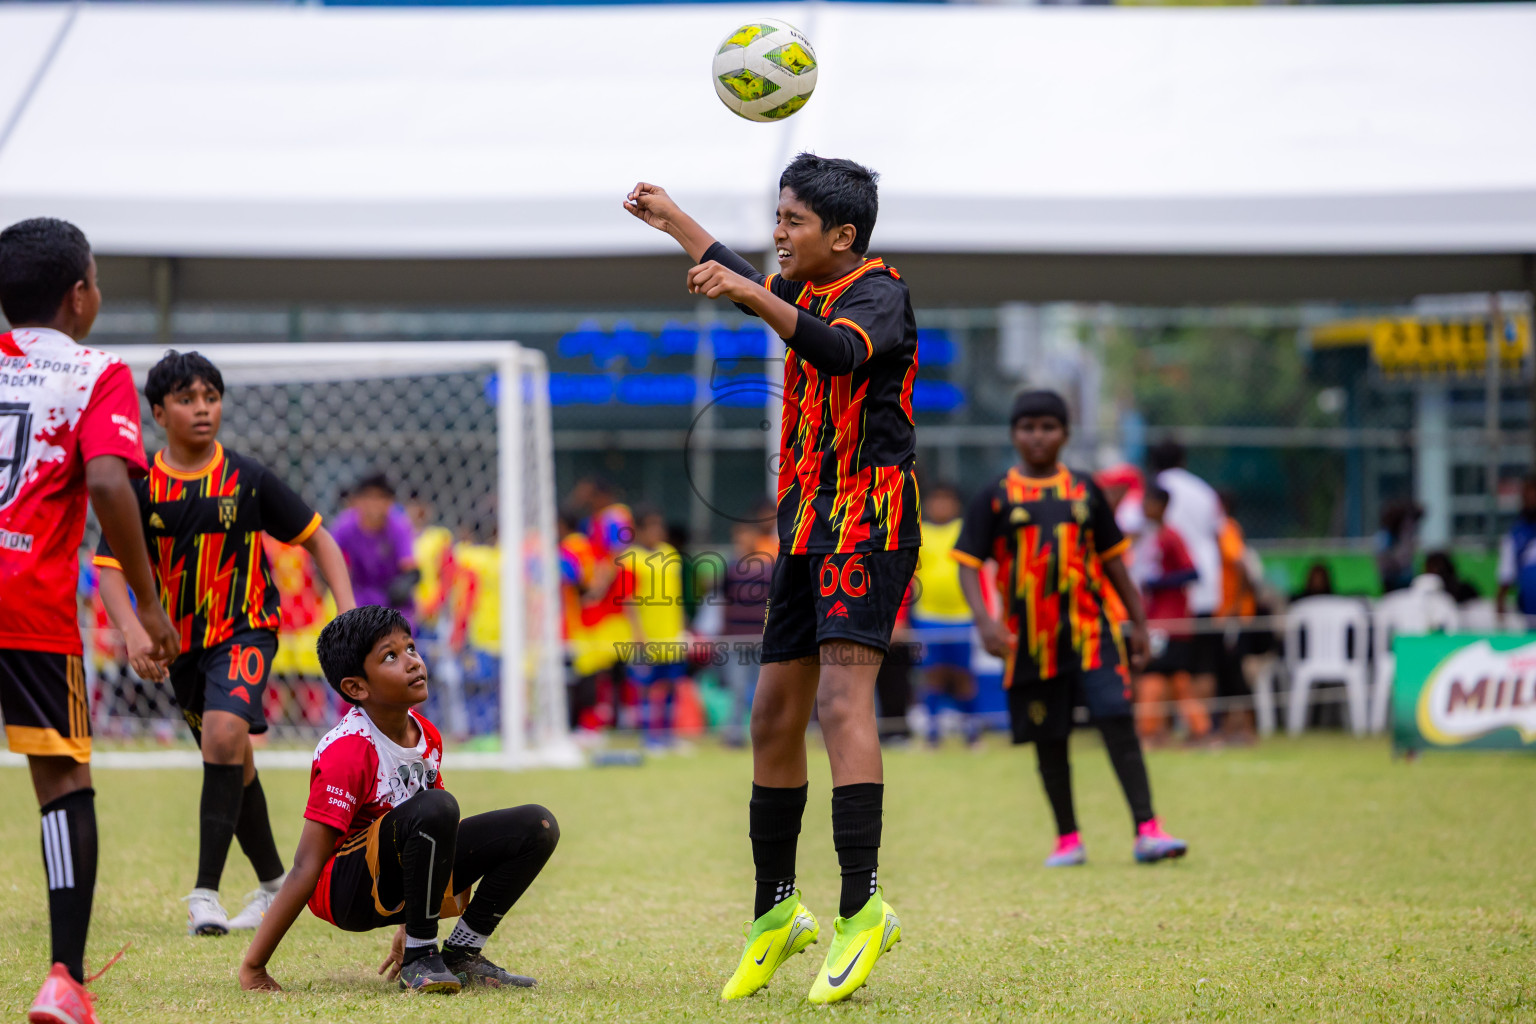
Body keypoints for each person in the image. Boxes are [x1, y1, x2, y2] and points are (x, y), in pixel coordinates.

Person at [627, 153, 919, 1004]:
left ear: (843, 234)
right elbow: (753, 274)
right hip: (807, 526)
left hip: (872, 526)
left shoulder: (879, 292)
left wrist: (754, 296)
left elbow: (834, 353)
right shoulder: (809, 284)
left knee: (839, 704)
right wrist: (675, 219)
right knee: (770, 717)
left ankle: (862, 910)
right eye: (778, 217)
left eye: (792, 220)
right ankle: (776, 915)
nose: (778, 233)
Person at [93, 350, 358, 936]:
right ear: (159, 411)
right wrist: (135, 632)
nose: (203, 409)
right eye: (187, 400)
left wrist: (348, 614)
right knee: (231, 759)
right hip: (175, 649)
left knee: (223, 735)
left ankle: (203, 896)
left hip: (245, 630)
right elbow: (108, 568)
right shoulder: (139, 487)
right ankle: (272, 885)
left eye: (211, 397)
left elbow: (322, 543)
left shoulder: (248, 477)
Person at [0, 217, 180, 1022]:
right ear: (80, 296)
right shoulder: (98, 372)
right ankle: (63, 981)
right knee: (63, 781)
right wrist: (147, 601)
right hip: (26, 601)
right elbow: (110, 485)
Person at [238, 605, 559, 994]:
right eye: (390, 656)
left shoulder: (427, 734)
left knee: (536, 826)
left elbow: (435, 837)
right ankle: (420, 958)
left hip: (397, 873)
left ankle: (462, 954)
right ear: (356, 688)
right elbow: (308, 863)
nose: (412, 662)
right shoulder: (349, 750)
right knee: (438, 807)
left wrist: (413, 917)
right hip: (345, 890)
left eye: (410, 648)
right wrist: (254, 966)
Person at [952, 390, 1187, 870]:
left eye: (1048, 427)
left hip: (1091, 631)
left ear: (1065, 433)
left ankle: (1147, 830)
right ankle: (1068, 839)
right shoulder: (995, 494)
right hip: (1028, 640)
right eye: (1027, 427)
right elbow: (968, 564)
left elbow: (1114, 562)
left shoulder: (1084, 489)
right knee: (1048, 735)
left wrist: (1138, 623)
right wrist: (985, 619)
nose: (1037, 437)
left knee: (1116, 715)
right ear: (1014, 434)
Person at [1147, 440, 1222, 745]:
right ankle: (1197, 730)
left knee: (1170, 672)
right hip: (1206, 593)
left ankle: (1191, 730)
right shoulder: (1204, 491)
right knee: (1197, 667)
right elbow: (1218, 531)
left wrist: (1153, 582)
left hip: (1173, 607)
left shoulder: (1155, 499)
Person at [1130, 486, 1207, 747]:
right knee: (1174, 678)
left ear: (1161, 505)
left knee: (1157, 676)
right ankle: (1186, 730)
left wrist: (1158, 582)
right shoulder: (1150, 536)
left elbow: (1193, 573)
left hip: (1170, 622)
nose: (1143, 507)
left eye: (1148, 502)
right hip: (1156, 620)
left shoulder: (1171, 536)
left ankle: (1150, 732)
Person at [911, 484, 980, 747]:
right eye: (936, 500)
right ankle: (932, 734)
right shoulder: (919, 532)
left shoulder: (965, 529)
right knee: (933, 675)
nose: (941, 506)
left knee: (963, 675)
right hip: (928, 616)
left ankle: (972, 733)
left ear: (956, 505)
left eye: (947, 501)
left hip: (962, 615)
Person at [623, 505, 689, 750]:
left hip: (670, 633)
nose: (658, 531)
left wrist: (682, 627)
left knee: (672, 683)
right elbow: (628, 599)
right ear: (639, 530)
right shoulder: (631, 558)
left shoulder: (670, 554)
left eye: (659, 525)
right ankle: (649, 737)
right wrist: (638, 633)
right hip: (645, 635)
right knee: (647, 687)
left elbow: (677, 594)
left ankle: (670, 735)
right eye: (652, 526)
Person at [713, 506, 778, 748]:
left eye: (746, 534)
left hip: (761, 637)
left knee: (764, 689)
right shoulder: (730, 568)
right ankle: (734, 736)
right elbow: (721, 601)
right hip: (734, 638)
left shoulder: (770, 568)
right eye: (738, 535)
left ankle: (765, 733)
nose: (742, 540)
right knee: (737, 688)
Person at [332, 472, 418, 621]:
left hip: (392, 603)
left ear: (390, 502)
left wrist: (400, 589)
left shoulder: (398, 526)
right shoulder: (345, 526)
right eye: (369, 497)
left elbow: (410, 569)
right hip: (357, 599)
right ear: (357, 500)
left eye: (381, 497)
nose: (374, 504)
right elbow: (329, 556)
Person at [1497, 476, 1536, 616]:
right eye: (1527, 496)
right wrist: (1500, 601)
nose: (1531, 500)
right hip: (1529, 607)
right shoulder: (1516, 534)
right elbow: (1506, 573)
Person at [1375, 499, 1423, 595]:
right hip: (1393, 583)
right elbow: (1384, 563)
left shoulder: (1406, 536)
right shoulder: (1385, 536)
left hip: (1406, 582)